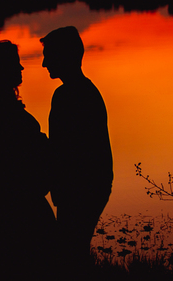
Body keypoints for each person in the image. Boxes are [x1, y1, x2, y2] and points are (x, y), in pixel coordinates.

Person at [0, 40, 55, 276]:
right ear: (3, 70)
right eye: (17, 64)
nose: (22, 68)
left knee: (16, 262)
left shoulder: (1, 108)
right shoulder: (5, 113)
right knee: (31, 262)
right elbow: (22, 159)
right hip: (15, 195)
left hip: (5, 192)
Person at [41, 26, 113, 272]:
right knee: (73, 253)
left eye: (48, 56)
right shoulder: (84, 91)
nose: (43, 64)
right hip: (89, 186)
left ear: (63, 56)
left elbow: (66, 152)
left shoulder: (68, 95)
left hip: (82, 188)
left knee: (69, 257)